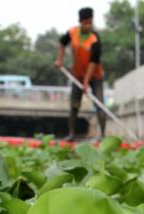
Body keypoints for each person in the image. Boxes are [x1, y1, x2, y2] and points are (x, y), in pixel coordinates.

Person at [55, 7, 106, 141]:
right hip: (77, 74)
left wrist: (86, 82)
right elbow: (62, 43)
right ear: (80, 22)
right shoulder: (72, 33)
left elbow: (94, 62)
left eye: (90, 22)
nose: (88, 25)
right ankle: (71, 134)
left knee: (99, 104)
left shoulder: (95, 39)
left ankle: (103, 136)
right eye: (85, 23)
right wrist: (59, 59)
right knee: (74, 105)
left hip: (95, 76)